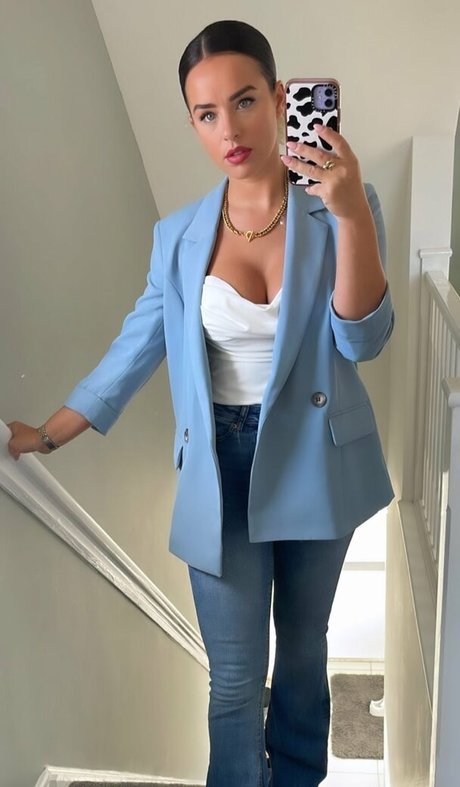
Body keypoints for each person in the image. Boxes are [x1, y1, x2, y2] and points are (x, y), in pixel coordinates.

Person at [7, 19, 394, 787]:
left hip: (319, 457)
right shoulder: (179, 235)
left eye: (244, 101)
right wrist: (47, 433)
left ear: (280, 100)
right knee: (235, 676)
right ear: (191, 122)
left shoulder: (344, 204)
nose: (229, 130)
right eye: (206, 113)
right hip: (222, 466)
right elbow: (135, 346)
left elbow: (363, 339)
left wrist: (351, 214)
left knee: (304, 649)